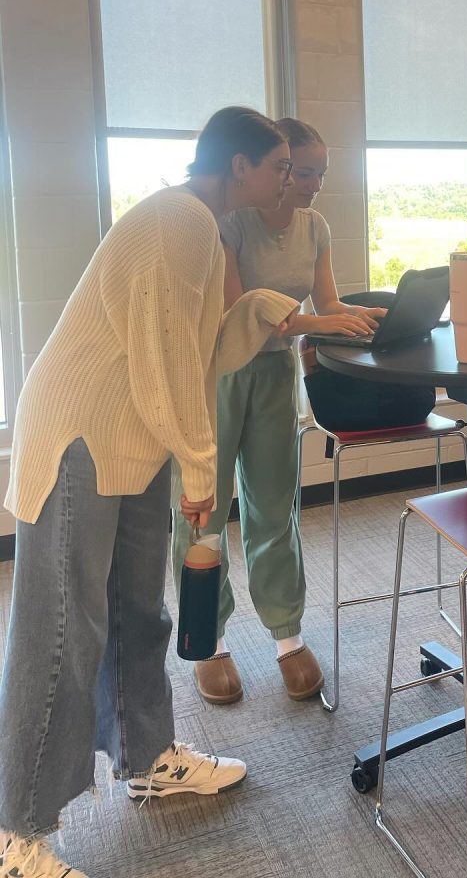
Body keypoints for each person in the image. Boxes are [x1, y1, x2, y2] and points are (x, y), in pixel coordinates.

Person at [0, 107, 301, 878]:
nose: (288, 181)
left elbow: (198, 345)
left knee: (140, 607)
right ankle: (14, 831)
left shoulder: (200, 225)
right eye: (278, 167)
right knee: (63, 628)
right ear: (237, 166)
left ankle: (146, 759)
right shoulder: (178, 222)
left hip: (131, 440)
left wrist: (265, 312)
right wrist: (202, 474)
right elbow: (165, 361)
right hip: (79, 437)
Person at [172, 117, 385, 705]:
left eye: (318, 171)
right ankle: (205, 642)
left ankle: (286, 637)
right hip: (219, 372)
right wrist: (318, 323)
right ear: (274, 170)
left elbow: (328, 302)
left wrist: (368, 314)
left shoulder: (315, 227)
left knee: (274, 506)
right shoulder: (230, 222)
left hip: (274, 374)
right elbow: (241, 308)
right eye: (300, 170)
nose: (312, 182)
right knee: (203, 513)